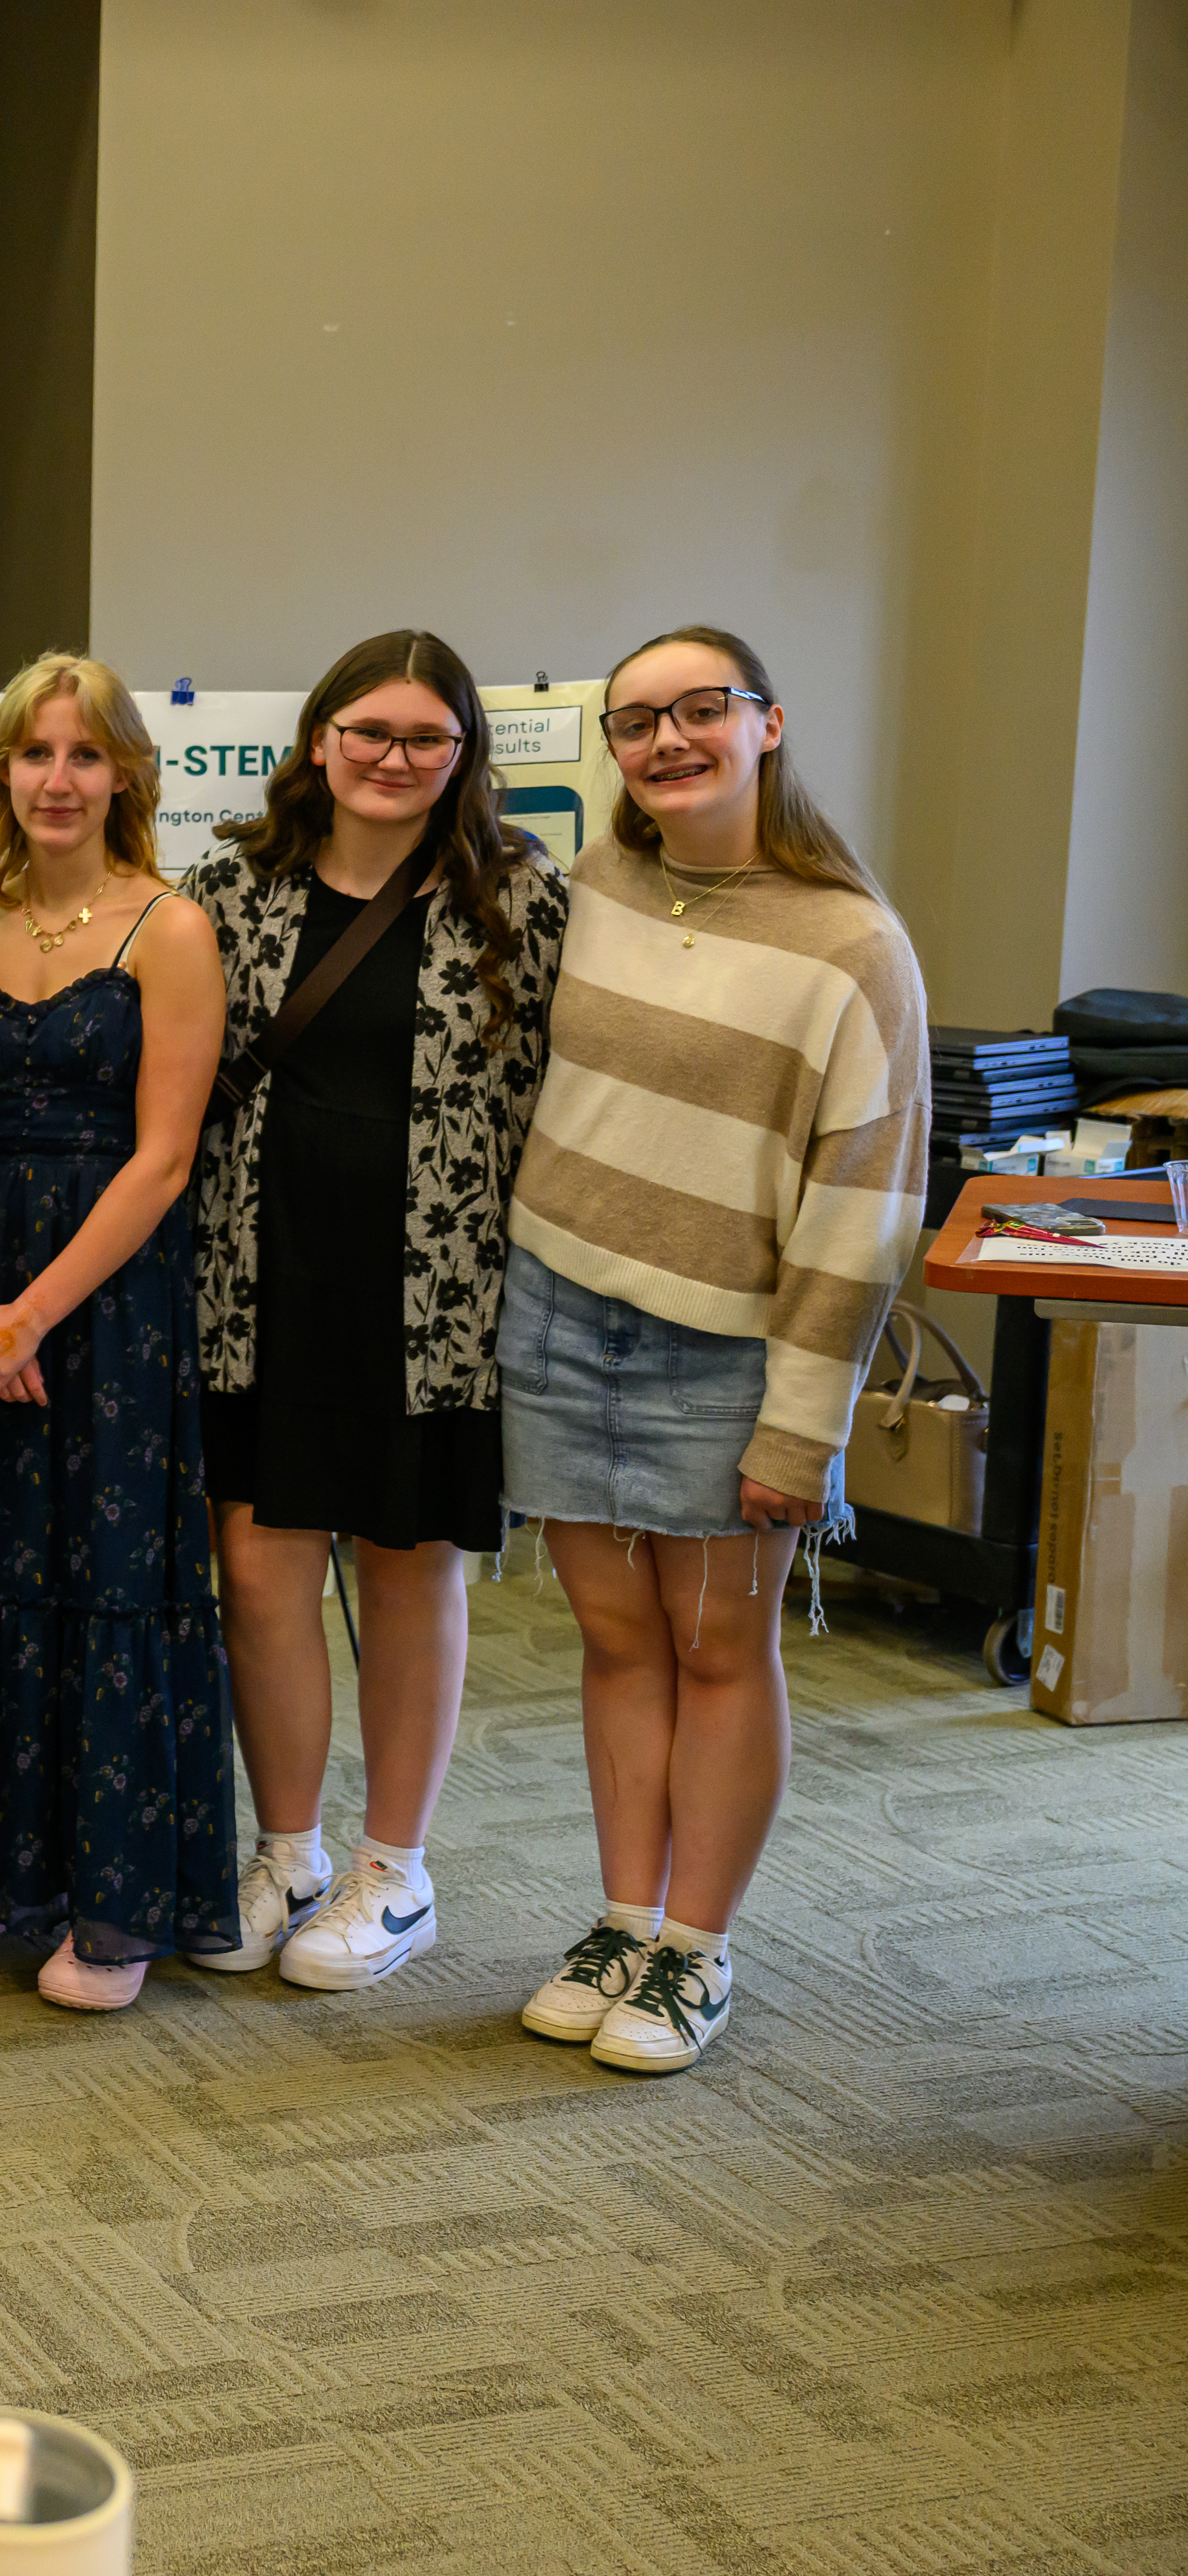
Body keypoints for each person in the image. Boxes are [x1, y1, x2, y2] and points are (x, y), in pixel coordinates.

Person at [504, 627, 923, 2075]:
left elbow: (863, 1218)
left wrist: (802, 1426)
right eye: (637, 721)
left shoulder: (851, 944)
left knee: (718, 1648)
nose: (669, 740)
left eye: (702, 711)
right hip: (555, 1309)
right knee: (617, 1643)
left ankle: (696, 1950)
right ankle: (624, 1919)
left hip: (727, 1350)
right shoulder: (599, 887)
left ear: (769, 725)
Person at [191, 631, 569, 1992]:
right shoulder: (231, 889)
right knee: (263, 1578)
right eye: (369, 732)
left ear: (464, 758)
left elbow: (551, 1109)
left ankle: (393, 1874)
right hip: (257, 1283)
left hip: (440, 1301)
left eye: (426, 739)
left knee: (411, 1576)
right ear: (317, 739)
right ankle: (286, 1854)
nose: (394, 761)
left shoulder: (516, 901)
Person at [0, 652, 235, 2011]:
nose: (58, 781)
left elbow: (165, 1160)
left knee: (107, 1572)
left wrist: (34, 1314)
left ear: (126, 777)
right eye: (35, 756)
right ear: (0, 776)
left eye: (84, 756)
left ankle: (116, 1910)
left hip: (115, 1310)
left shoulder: (169, 929)